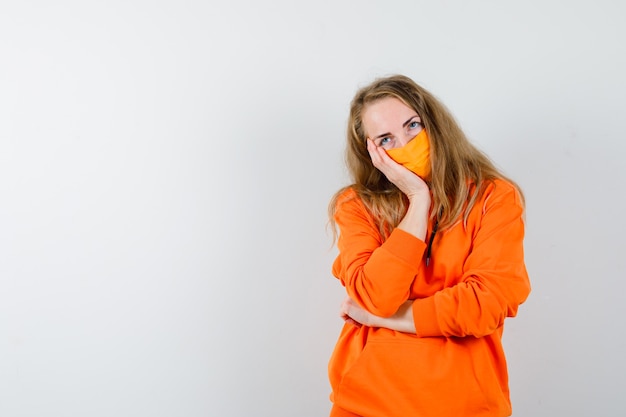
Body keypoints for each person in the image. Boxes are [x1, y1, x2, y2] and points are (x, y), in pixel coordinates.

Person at [327, 75, 531, 417]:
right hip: (365, 403)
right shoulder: (355, 206)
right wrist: (418, 199)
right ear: (372, 152)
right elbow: (377, 296)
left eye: (413, 125)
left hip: (465, 404)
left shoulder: (494, 198)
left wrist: (383, 320)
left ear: (434, 122)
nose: (405, 143)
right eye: (386, 138)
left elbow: (484, 305)